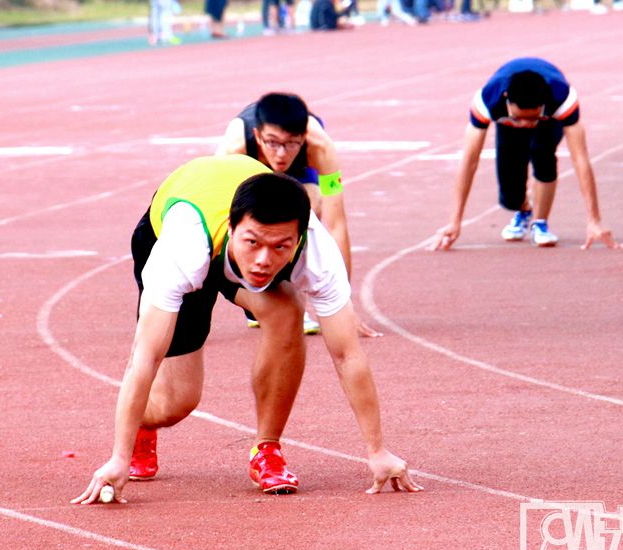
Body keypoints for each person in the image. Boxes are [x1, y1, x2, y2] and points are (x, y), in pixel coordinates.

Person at [71, 155, 421, 505]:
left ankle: (267, 449)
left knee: (287, 308)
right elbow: (145, 358)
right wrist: (119, 457)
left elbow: (347, 355)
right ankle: (144, 427)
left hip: (226, 242)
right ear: (232, 227)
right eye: (253, 243)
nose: (263, 261)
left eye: (280, 246)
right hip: (182, 234)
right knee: (175, 404)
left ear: (299, 237)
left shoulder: (317, 253)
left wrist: (378, 451)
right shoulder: (181, 249)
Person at [216, 92, 381, 337]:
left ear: (303, 138)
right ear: (258, 136)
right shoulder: (234, 149)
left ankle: (287, 290)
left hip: (300, 169)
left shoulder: (321, 148)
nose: (281, 154)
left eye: (290, 144)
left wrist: (342, 305)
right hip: (249, 168)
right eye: (273, 143)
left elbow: (336, 224)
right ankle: (261, 295)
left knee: (309, 208)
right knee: (248, 223)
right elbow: (220, 217)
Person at [431, 57, 620, 251]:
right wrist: (454, 221)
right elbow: (469, 161)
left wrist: (594, 219)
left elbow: (580, 159)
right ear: (507, 99)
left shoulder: (561, 98)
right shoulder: (487, 101)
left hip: (547, 123)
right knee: (510, 195)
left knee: (543, 152)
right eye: (520, 118)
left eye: (532, 119)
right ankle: (523, 209)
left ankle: (540, 222)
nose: (526, 125)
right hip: (508, 125)